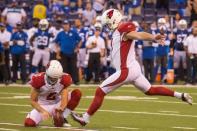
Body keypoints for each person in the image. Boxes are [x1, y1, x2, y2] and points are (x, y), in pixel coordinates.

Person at [71, 9, 193, 126]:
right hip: (133, 68)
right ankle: (180, 95)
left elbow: (138, 35)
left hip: (126, 70)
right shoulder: (117, 32)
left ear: (114, 20)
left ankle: (85, 118)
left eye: (108, 23)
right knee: (150, 90)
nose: (107, 26)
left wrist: (153, 37)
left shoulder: (123, 28)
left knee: (100, 91)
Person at [24, 60, 82, 127]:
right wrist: (42, 111)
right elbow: (33, 101)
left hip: (57, 103)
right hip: (43, 105)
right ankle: (54, 117)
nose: (54, 80)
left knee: (76, 93)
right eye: (52, 78)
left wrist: (62, 107)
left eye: (56, 78)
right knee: (29, 123)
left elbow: (64, 96)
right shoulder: (38, 80)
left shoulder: (64, 78)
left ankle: (64, 117)